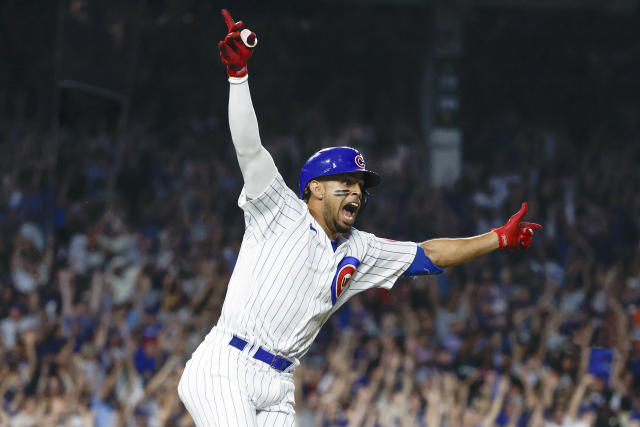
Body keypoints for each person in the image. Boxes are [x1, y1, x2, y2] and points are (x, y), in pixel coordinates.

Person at [177, 9, 542, 426]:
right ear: (313, 188)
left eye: (360, 187)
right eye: (344, 182)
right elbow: (249, 147)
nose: (355, 191)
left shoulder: (361, 249)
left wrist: (497, 237)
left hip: (278, 384)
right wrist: (238, 77)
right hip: (227, 366)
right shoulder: (278, 210)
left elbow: (429, 255)